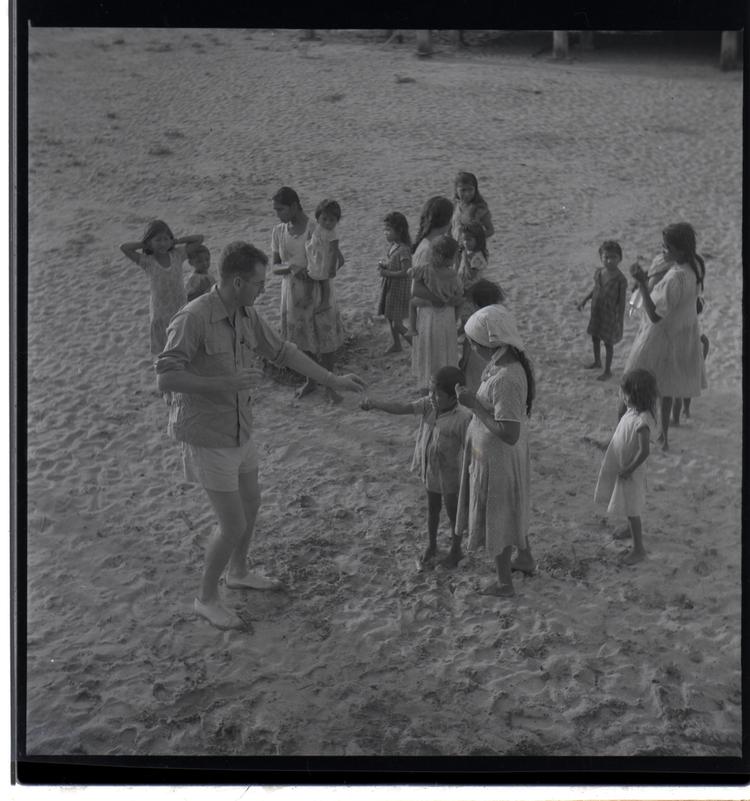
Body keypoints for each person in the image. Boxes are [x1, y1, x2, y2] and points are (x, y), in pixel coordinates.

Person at [155, 241, 366, 630]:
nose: (262, 291)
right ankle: (206, 598)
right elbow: (166, 375)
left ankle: (238, 571)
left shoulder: (246, 314)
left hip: (240, 428)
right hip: (208, 435)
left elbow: (282, 352)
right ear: (237, 281)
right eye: (258, 283)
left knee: (252, 504)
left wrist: (331, 378)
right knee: (232, 524)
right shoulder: (194, 317)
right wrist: (226, 381)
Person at [450, 304, 536, 597]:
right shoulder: (506, 364)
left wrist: (473, 405)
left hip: (498, 458)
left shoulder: (507, 378)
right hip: (498, 456)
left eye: (472, 342)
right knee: (510, 509)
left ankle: (504, 583)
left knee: (498, 517)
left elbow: (508, 433)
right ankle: (524, 557)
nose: (470, 347)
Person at [360, 366, 471, 568]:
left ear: (454, 397)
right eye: (431, 392)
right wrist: (376, 404)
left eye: (438, 395)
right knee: (433, 508)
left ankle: (456, 550)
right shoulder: (428, 406)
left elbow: (470, 447)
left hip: (451, 474)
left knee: (453, 512)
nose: (433, 397)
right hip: (431, 469)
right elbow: (401, 407)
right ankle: (432, 545)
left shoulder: (462, 418)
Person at [624, 223, 707, 451]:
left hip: (660, 336)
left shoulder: (676, 278)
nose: (663, 251)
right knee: (668, 387)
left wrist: (641, 283)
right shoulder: (696, 266)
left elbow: (654, 315)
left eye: (667, 247)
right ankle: (663, 437)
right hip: (681, 334)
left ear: (681, 251)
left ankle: (620, 433)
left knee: (630, 381)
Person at [271, 187, 345, 403]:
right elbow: (275, 267)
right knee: (301, 339)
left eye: (281, 209)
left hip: (318, 289)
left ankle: (330, 386)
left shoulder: (317, 228)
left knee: (325, 338)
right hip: (292, 291)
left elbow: (337, 259)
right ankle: (311, 380)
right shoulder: (278, 231)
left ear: (294, 206)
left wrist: (319, 273)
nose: (278, 214)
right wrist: (293, 268)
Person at [594, 369, 658, 565]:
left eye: (625, 393)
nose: (622, 396)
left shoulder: (643, 421)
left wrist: (629, 468)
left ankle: (639, 549)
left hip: (631, 470)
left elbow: (644, 451)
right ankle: (630, 529)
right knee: (626, 501)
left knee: (632, 507)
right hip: (623, 464)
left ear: (637, 395)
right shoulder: (632, 411)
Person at [120, 219, 204, 354]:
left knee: (181, 343)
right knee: (164, 348)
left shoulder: (177, 254)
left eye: (165, 239)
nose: (162, 243)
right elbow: (124, 248)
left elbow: (199, 239)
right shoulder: (147, 261)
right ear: (150, 242)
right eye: (157, 240)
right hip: (160, 311)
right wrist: (144, 244)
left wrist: (176, 241)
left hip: (179, 306)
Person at [408, 196, 463, 392]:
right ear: (447, 220)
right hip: (433, 314)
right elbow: (416, 289)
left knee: (440, 358)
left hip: (442, 314)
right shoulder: (428, 249)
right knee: (435, 361)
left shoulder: (437, 244)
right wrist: (444, 299)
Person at [576, 240, 628, 381]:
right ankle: (597, 361)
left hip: (610, 316)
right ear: (601, 258)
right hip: (597, 311)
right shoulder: (599, 273)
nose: (610, 261)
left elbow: (622, 301)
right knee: (595, 337)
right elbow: (595, 289)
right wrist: (584, 300)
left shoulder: (621, 279)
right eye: (606, 257)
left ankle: (608, 370)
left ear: (620, 259)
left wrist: (620, 319)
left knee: (608, 343)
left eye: (613, 257)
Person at [408, 234, 463, 338]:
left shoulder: (426, 269)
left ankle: (412, 328)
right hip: (447, 308)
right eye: (456, 256)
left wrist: (410, 271)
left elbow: (413, 273)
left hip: (429, 305)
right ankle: (456, 321)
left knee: (412, 303)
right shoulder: (453, 275)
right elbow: (459, 291)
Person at [462, 279, 509, 393]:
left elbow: (468, 342)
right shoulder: (498, 316)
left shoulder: (475, 320)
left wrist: (464, 360)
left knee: (475, 388)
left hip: (476, 358)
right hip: (496, 358)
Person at [376, 211, 413, 354]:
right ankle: (396, 344)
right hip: (391, 288)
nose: (385, 233)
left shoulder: (403, 249)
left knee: (397, 323)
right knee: (389, 317)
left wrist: (387, 273)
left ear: (399, 230)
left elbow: (406, 271)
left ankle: (417, 347)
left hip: (399, 291)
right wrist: (385, 266)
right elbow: (395, 264)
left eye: (389, 230)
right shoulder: (393, 246)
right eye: (385, 229)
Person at [304, 198, 344, 315]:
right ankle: (308, 297)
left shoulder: (333, 234)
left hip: (326, 261)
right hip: (317, 257)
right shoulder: (317, 227)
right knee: (310, 276)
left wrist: (332, 267)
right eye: (324, 219)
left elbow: (333, 250)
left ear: (337, 221)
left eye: (332, 220)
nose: (327, 223)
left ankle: (325, 302)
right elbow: (312, 235)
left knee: (324, 281)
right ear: (318, 218)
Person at [450, 171, 494, 244]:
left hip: (473, 249)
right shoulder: (454, 205)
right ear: (456, 190)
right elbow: (450, 228)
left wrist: (474, 237)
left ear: (475, 190)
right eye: (463, 190)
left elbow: (490, 230)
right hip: (456, 248)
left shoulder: (480, 208)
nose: (467, 194)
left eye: (470, 189)